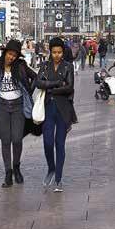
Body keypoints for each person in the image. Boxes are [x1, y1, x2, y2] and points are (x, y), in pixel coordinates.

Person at [0, 39, 39, 188]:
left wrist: (28, 91)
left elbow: (35, 77)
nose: (11, 57)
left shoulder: (21, 66)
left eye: (14, 55)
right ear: (5, 52)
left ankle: (16, 166)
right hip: (2, 107)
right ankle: (8, 173)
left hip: (18, 106)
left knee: (17, 139)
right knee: (6, 140)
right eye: (10, 54)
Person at [35, 37, 77, 192]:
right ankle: (51, 168)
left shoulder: (68, 66)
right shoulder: (45, 66)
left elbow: (70, 87)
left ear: (62, 52)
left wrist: (51, 89)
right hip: (47, 108)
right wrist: (57, 84)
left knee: (60, 144)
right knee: (47, 143)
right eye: (54, 52)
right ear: (50, 52)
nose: (57, 55)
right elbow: (38, 82)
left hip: (63, 110)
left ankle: (58, 178)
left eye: (59, 52)